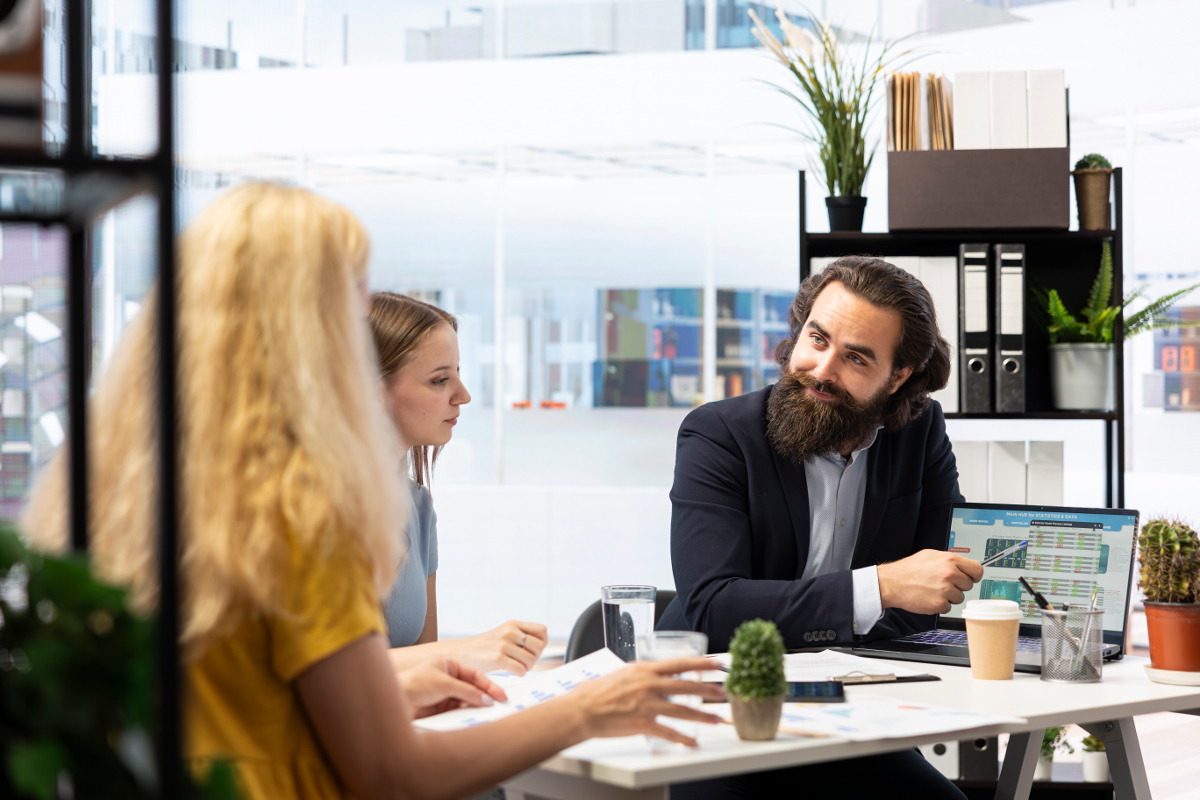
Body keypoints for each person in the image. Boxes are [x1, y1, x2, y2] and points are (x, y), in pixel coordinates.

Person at [22, 182, 723, 800]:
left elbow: (233, 698)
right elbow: (391, 775)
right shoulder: (299, 502)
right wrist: (592, 708)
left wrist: (392, 690)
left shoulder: (121, 482)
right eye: (350, 291)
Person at [659, 257, 981, 800]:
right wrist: (879, 587)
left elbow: (933, 571)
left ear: (898, 377)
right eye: (817, 338)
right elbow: (714, 605)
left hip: (853, 709)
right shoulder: (717, 434)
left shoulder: (918, 431)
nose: (822, 369)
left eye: (855, 357)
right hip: (724, 712)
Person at [368, 291, 548, 675]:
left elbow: (422, 679)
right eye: (439, 380)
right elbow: (334, 678)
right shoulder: (310, 508)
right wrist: (471, 651)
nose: (463, 396)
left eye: (458, 374)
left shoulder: (417, 506)